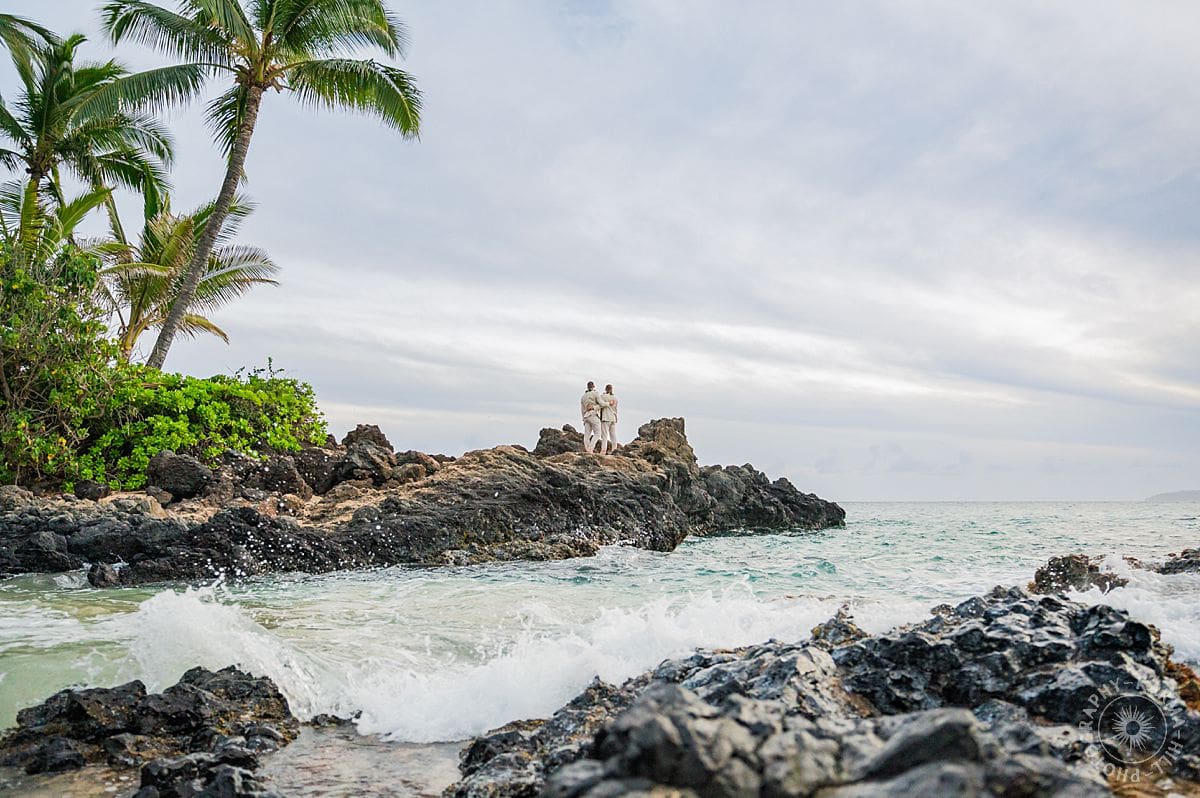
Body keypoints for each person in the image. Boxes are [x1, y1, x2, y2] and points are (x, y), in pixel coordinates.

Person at [580, 381, 603, 453]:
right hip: (593, 415)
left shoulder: (583, 397)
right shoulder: (595, 393)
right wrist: (608, 403)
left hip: (586, 416)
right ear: (594, 386)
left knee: (587, 434)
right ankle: (591, 449)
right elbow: (602, 404)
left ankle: (587, 449)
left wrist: (583, 418)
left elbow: (582, 409)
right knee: (597, 433)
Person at [599, 384, 619, 454]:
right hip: (613, 418)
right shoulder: (615, 398)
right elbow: (616, 409)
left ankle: (603, 450)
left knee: (604, 435)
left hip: (605, 418)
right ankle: (614, 449)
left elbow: (600, 405)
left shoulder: (603, 397)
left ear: (605, 389)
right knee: (613, 435)